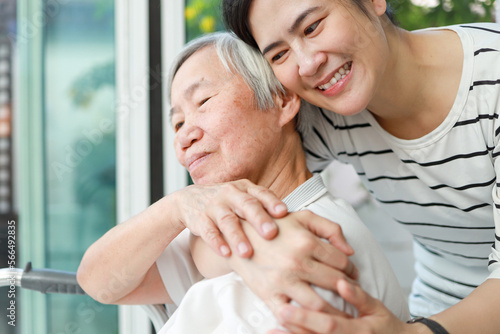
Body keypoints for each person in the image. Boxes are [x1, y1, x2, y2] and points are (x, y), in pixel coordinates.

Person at [76, 32, 410, 333]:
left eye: (203, 102)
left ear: (281, 100)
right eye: (177, 123)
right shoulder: (222, 233)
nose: (184, 137)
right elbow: (99, 281)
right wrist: (178, 206)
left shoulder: (316, 243)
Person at [216, 0, 500, 333]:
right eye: (279, 55)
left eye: (312, 27)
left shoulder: (491, 83)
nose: (307, 65)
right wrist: (187, 205)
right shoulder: (328, 114)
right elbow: (235, 203)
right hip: (434, 310)